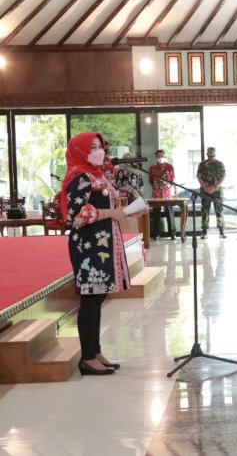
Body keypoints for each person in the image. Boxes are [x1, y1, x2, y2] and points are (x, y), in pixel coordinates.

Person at [61, 132, 146, 375]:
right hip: (88, 248)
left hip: (102, 246)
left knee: (98, 299)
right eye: (92, 148)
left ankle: (95, 351)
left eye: (100, 147)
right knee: (89, 299)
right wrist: (112, 214)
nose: (99, 152)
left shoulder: (96, 176)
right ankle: (87, 358)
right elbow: (74, 216)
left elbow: (105, 208)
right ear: (80, 151)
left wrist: (127, 212)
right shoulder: (79, 177)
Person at [197, 146, 226, 239]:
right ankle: (204, 232)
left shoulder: (220, 164)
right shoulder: (202, 164)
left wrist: (214, 187)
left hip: (217, 191)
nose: (210, 157)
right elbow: (199, 176)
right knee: (205, 211)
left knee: (219, 210)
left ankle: (221, 231)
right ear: (207, 154)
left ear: (215, 154)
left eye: (212, 155)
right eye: (209, 155)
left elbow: (223, 176)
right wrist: (205, 187)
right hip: (205, 191)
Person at [148, 149, 176, 240]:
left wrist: (166, 188)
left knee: (169, 212)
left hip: (167, 193)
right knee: (156, 214)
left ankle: (172, 233)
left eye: (162, 156)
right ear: (156, 157)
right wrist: (157, 188)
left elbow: (172, 179)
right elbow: (151, 181)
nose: (160, 158)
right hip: (156, 193)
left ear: (165, 156)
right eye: (159, 156)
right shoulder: (152, 168)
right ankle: (156, 234)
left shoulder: (169, 167)